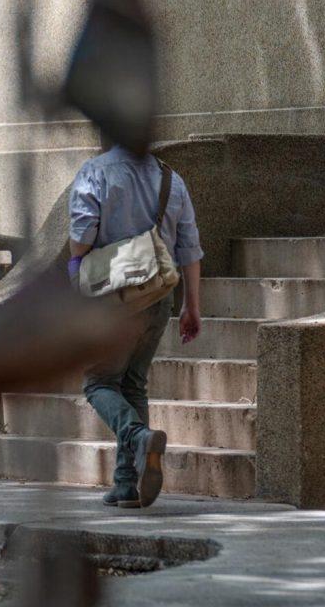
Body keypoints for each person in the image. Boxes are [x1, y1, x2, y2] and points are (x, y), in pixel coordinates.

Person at [67, 144, 203, 508]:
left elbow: (82, 234)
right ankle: (126, 482)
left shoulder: (95, 172)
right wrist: (192, 306)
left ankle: (138, 436)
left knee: (98, 383)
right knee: (133, 384)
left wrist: (75, 268)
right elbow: (190, 247)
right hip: (159, 296)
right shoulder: (172, 179)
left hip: (113, 297)